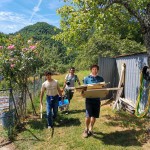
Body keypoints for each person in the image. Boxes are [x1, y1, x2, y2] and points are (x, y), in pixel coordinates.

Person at [82, 64, 104, 138]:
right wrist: (82, 93)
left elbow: (103, 88)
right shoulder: (87, 78)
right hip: (89, 100)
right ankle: (86, 129)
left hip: (97, 100)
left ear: (98, 70)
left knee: (94, 116)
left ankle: (91, 128)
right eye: (93, 69)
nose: (95, 70)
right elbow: (84, 89)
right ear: (91, 70)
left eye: (96, 69)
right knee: (88, 116)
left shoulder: (101, 78)